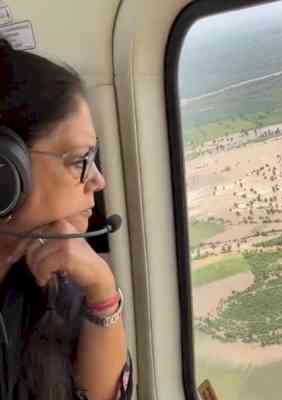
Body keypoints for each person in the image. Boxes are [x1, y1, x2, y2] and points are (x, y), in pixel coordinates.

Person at [0, 38, 133, 400]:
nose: (98, 181)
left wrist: (103, 294)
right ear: (7, 170)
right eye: (79, 160)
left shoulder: (53, 275)